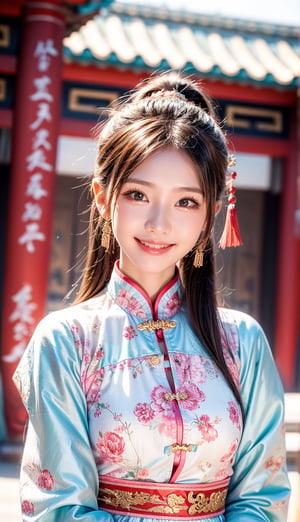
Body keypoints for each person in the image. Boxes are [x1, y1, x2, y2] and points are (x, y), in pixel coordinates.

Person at [13, 72, 290, 521]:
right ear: (103, 197)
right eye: (139, 194)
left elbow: (265, 495)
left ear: (211, 214)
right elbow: (57, 508)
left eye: (186, 202)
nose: (160, 223)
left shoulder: (244, 343)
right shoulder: (65, 342)